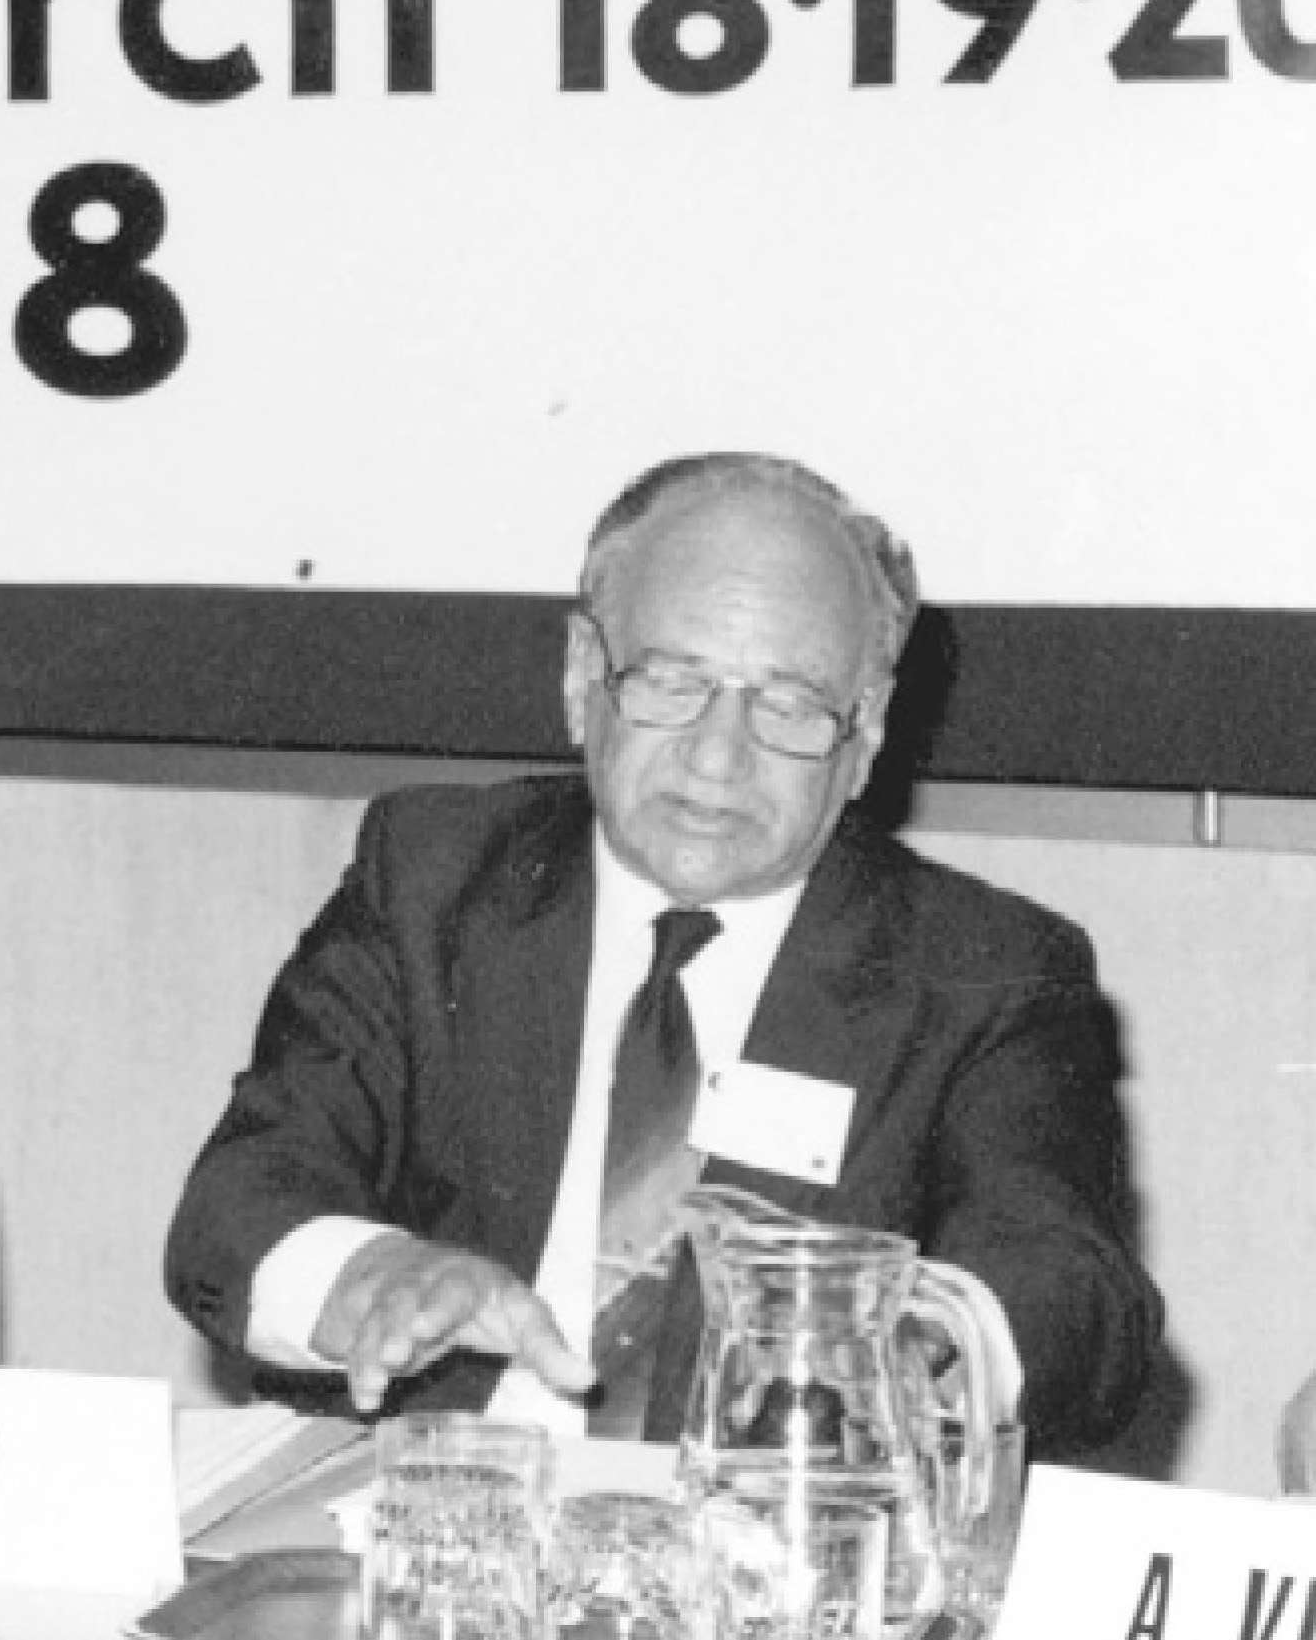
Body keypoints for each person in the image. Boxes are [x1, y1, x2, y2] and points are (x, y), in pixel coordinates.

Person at [165, 453, 1160, 1450]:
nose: (715, 756)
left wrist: (920, 1349)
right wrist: (370, 1276)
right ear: (578, 678)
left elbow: (1070, 1285)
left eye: (787, 703)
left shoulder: (986, 970)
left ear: (863, 735)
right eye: (670, 681)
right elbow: (240, 1198)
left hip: (762, 1552)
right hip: (436, 1519)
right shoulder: (430, 875)